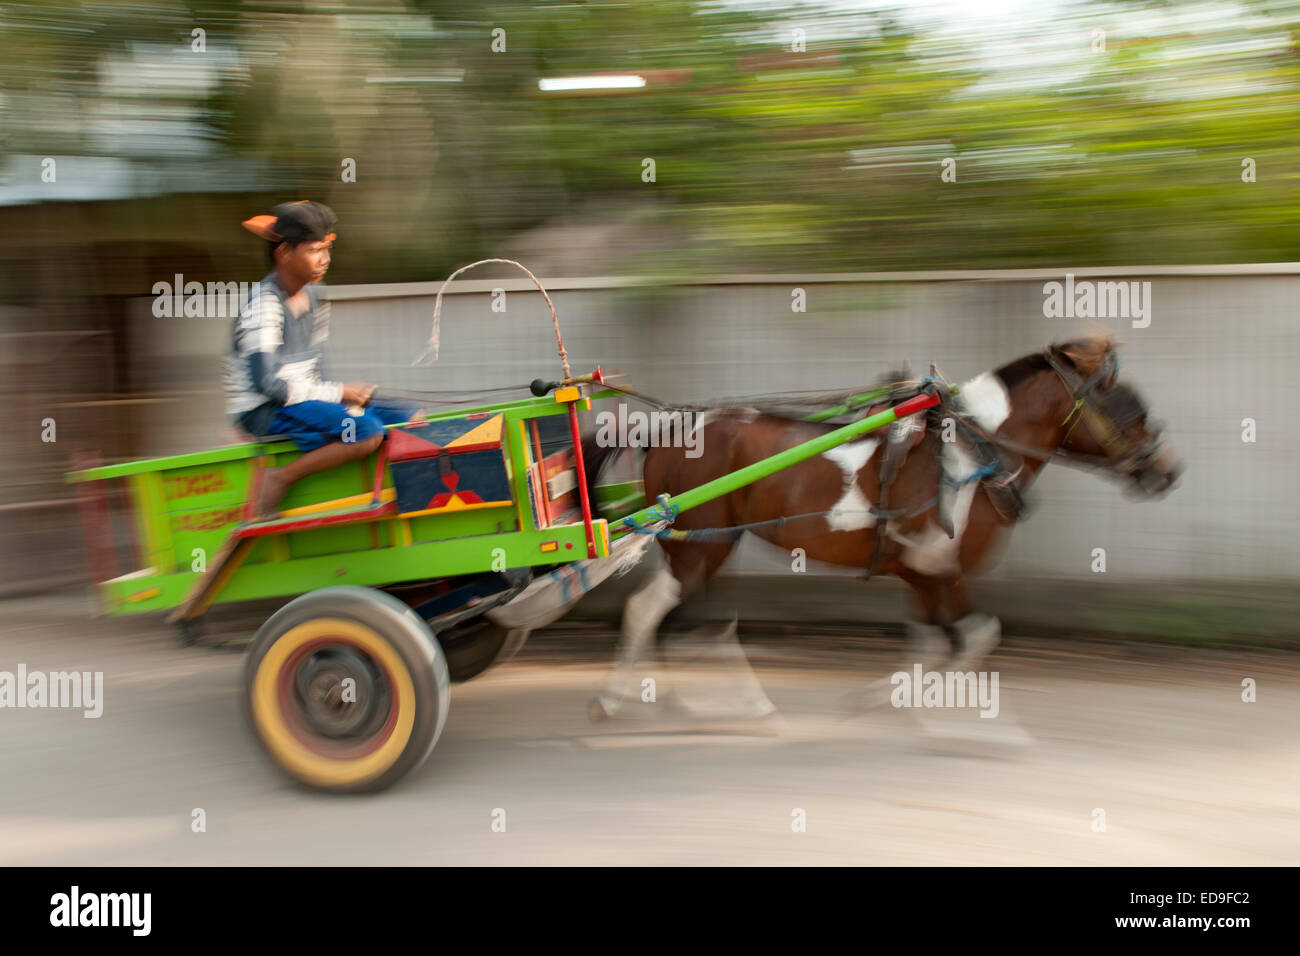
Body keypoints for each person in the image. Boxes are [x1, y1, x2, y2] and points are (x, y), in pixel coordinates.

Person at [223, 201, 421, 519]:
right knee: (365, 432)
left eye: (326, 249)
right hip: (264, 408)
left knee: (409, 416)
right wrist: (339, 394)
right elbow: (267, 385)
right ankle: (280, 478)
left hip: (303, 398)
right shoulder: (263, 305)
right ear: (284, 252)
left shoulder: (316, 295)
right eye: (315, 250)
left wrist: (339, 399)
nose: (325, 259)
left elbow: (315, 367)